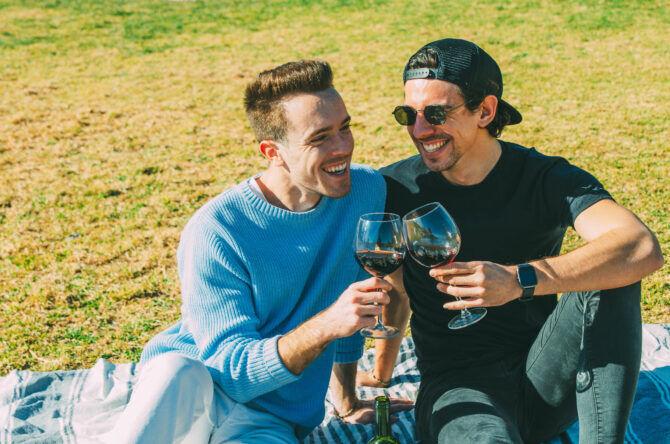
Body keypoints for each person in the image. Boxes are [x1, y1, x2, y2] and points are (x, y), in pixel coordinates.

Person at [105, 60, 412, 444]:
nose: (343, 147)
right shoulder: (217, 229)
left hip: (271, 419)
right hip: (193, 384)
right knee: (174, 373)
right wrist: (327, 324)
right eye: (319, 138)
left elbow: (349, 318)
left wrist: (347, 402)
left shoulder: (364, 193)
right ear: (273, 151)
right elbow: (231, 372)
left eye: (345, 127)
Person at [377, 38, 664, 443]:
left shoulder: (543, 177)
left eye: (437, 113)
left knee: (614, 273)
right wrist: (374, 378)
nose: (420, 130)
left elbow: (639, 246)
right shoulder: (394, 188)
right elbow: (385, 286)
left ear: (486, 110)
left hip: (546, 374)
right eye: (408, 113)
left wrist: (519, 280)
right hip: (458, 389)